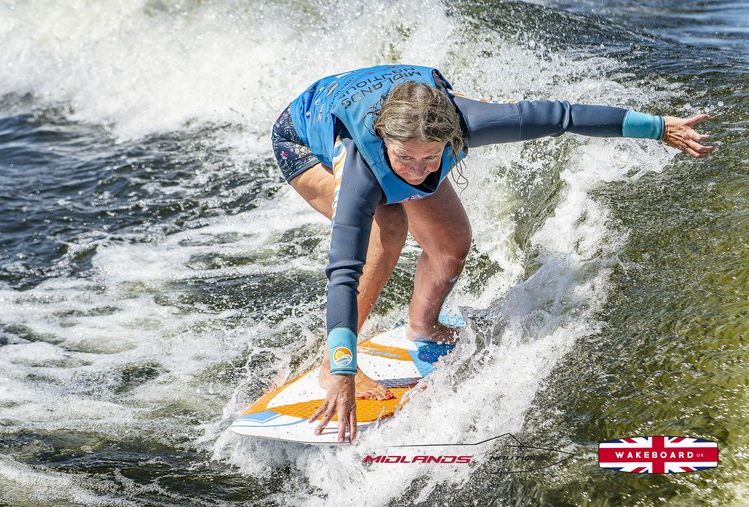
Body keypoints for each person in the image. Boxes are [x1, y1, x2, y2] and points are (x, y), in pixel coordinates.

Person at [270, 64, 714, 444]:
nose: (420, 173)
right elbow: (343, 272)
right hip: (302, 137)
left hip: (406, 113)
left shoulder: (464, 123)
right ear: (386, 138)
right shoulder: (364, 165)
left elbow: (564, 116)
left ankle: (422, 326)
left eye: (432, 159)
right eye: (407, 159)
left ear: (451, 137)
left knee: (450, 244)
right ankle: (332, 365)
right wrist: (346, 373)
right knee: (389, 222)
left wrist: (659, 127)